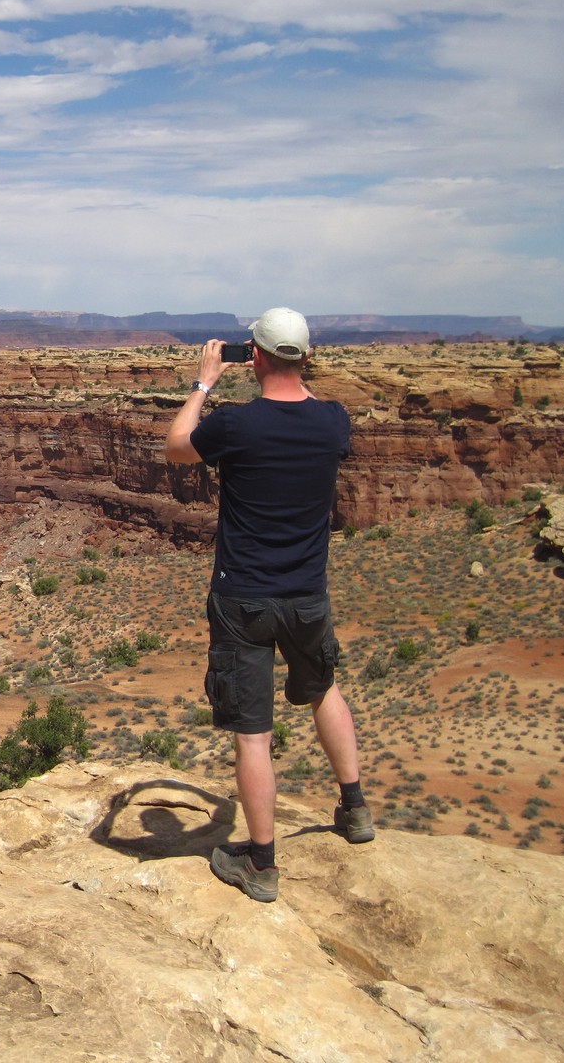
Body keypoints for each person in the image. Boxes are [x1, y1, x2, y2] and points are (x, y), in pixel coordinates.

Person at [163, 307, 373, 904]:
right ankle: (354, 810)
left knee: (253, 734)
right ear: (306, 357)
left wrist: (203, 382)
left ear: (250, 357)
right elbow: (312, 414)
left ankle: (260, 863)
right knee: (324, 688)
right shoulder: (334, 422)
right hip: (308, 594)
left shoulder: (236, 426)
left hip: (244, 598)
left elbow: (177, 447)